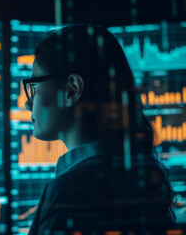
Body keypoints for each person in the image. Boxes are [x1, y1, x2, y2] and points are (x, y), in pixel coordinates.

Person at [23, 25, 175, 234]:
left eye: (35, 87)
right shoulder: (136, 180)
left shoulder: (69, 194)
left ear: (71, 90)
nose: (28, 104)